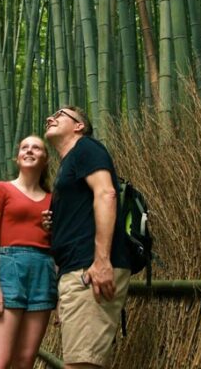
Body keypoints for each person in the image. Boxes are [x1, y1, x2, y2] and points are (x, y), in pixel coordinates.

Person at [43, 106, 131, 369]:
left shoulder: (86, 149)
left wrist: (102, 260)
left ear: (79, 126)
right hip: (77, 270)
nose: (51, 117)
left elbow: (106, 194)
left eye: (60, 115)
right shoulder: (68, 164)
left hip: (90, 267)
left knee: (81, 364)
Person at [0, 136, 56, 369]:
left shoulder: (54, 199)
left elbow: (61, 246)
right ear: (17, 157)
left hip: (44, 271)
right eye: (24, 147)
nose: (30, 150)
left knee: (25, 361)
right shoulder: (1, 189)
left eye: (36, 147)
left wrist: (53, 230)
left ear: (46, 159)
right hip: (10, 268)